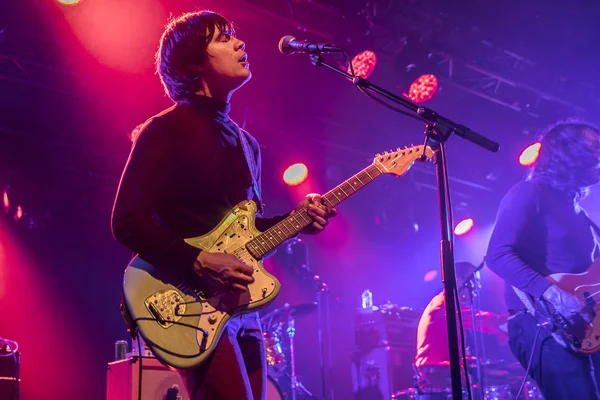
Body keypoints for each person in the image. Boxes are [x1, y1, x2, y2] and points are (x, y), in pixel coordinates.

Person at [111, 11, 337, 400]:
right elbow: (127, 221)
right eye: (223, 38)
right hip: (190, 304)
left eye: (235, 35)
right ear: (195, 60)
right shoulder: (164, 130)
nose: (240, 43)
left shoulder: (247, 144)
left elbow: (247, 231)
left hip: (244, 310)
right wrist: (196, 260)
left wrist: (298, 219)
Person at [486, 120, 600, 399]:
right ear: (565, 153)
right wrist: (555, 295)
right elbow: (497, 255)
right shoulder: (528, 193)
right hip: (543, 325)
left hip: (587, 325)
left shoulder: (580, 214)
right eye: (594, 147)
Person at [414, 262, 507, 390]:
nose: (477, 288)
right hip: (437, 372)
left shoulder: (443, 300)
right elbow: (481, 319)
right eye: (473, 282)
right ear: (458, 281)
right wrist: (510, 324)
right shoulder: (446, 304)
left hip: (438, 370)